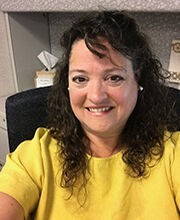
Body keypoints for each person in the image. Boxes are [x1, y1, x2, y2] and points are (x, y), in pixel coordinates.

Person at [0, 10, 179, 220]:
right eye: (80, 79)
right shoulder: (37, 155)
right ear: (66, 85)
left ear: (138, 81)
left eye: (113, 77)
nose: (96, 96)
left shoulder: (172, 154)